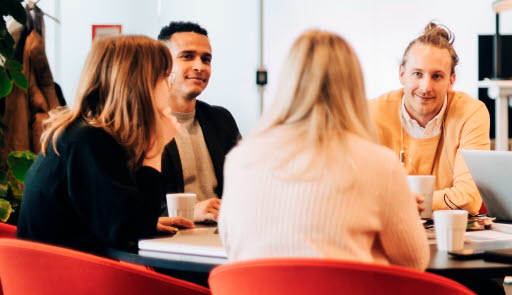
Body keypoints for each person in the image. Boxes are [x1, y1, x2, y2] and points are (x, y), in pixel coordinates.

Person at [218, 30, 429, 271]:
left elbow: (232, 248)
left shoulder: (239, 158)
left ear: (287, 83)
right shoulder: (378, 163)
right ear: (353, 87)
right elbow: (415, 262)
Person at [17, 35, 193, 255]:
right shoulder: (90, 141)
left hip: (55, 272)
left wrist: (145, 222)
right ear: (141, 83)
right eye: (166, 77)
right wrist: (154, 148)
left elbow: (117, 219)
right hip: (67, 280)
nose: (170, 87)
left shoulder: (80, 134)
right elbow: (128, 230)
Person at [370, 22, 490, 215]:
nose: (426, 87)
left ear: (451, 80)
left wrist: (397, 201)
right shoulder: (371, 113)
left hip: (451, 233)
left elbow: (469, 199)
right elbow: (359, 194)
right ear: (402, 74)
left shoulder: (471, 112)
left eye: (437, 76)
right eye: (417, 74)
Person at [157, 21, 241, 222]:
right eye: (187, 56)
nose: (199, 66)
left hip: (220, 234)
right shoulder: (141, 123)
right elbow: (131, 207)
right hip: (167, 240)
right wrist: (189, 212)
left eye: (206, 59)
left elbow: (245, 183)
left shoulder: (221, 119)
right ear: (162, 64)